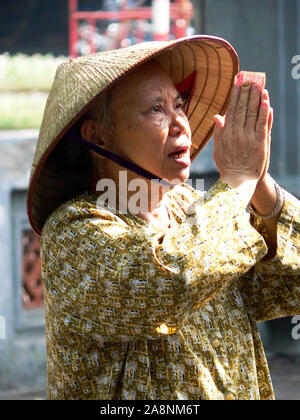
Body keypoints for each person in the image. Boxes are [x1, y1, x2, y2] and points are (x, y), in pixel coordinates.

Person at [27, 35, 300, 400]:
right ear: (99, 137)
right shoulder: (73, 232)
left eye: (180, 105)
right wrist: (236, 180)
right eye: (156, 109)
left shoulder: (193, 209)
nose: (180, 124)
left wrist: (258, 183)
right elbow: (171, 281)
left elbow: (291, 285)